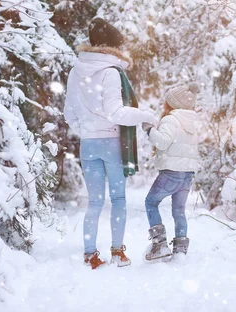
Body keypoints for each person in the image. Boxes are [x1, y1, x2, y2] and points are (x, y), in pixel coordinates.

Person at [64, 17, 156, 269]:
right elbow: (116, 113)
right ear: (114, 47)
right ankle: (118, 252)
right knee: (117, 199)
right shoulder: (111, 72)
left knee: (94, 202)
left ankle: (90, 254)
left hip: (88, 144)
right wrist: (148, 116)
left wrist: (86, 130)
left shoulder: (75, 70)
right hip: (112, 143)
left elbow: (69, 113)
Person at [142, 82, 201, 261]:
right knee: (179, 210)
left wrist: (149, 129)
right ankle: (180, 251)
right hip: (187, 174)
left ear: (172, 103)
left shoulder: (171, 119)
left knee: (151, 202)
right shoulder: (192, 121)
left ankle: (159, 245)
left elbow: (162, 142)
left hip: (171, 173)